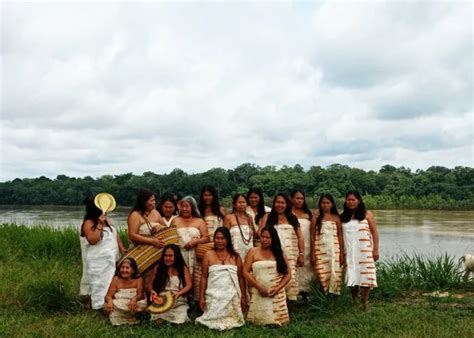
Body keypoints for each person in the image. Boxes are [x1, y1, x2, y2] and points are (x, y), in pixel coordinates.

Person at [196, 227, 246, 330]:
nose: (219, 241)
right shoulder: (208, 255)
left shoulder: (235, 256)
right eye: (217, 238)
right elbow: (204, 277)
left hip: (231, 293)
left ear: (227, 240)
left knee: (233, 317)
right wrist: (201, 297)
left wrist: (243, 296)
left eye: (222, 238)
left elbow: (240, 278)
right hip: (214, 293)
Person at [81, 196, 125, 310]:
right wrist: (100, 224)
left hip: (111, 259)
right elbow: (93, 239)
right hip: (98, 261)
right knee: (100, 284)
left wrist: (123, 250)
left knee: (112, 283)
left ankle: (110, 305)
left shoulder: (107, 221)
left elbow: (115, 235)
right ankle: (99, 307)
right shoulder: (88, 222)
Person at [258, 193, 304, 301]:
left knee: (290, 276)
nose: (280, 205)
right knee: (275, 275)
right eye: (277, 202)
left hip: (290, 253)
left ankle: (290, 303)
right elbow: (260, 233)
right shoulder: (268, 217)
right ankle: (276, 301)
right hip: (273, 253)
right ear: (274, 204)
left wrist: (301, 254)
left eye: (282, 203)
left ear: (287, 204)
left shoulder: (292, 217)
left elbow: (300, 237)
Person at [243, 226, 290, 326]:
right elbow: (245, 271)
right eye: (262, 237)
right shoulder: (253, 251)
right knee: (257, 322)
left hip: (276, 293)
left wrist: (278, 288)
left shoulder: (279, 253)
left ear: (273, 239)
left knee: (278, 322)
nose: (264, 240)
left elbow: (288, 274)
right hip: (257, 290)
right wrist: (258, 286)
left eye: (267, 237)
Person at [340, 191, 379, 310]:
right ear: (345, 201)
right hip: (350, 251)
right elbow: (340, 236)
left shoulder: (367, 214)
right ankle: (355, 300)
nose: (351, 202)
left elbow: (374, 233)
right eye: (348, 200)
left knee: (366, 275)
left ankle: (365, 302)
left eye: (353, 200)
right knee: (352, 275)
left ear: (359, 201)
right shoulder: (342, 217)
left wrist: (375, 250)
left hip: (364, 251)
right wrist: (341, 252)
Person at [148, 244, 192, 324]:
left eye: (170, 256)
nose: (167, 258)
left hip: (178, 299)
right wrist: (152, 291)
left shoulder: (183, 268)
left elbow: (189, 285)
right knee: (157, 319)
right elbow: (149, 285)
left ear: (176, 257)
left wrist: (180, 293)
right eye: (165, 256)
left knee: (180, 319)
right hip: (162, 300)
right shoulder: (158, 267)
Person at [312, 194, 343, 295]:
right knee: (322, 274)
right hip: (320, 251)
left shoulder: (336, 217)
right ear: (320, 204)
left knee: (335, 273)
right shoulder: (316, 217)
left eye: (327, 203)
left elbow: (340, 236)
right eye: (323, 203)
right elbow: (312, 236)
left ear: (332, 204)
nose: (325, 205)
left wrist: (342, 253)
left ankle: (335, 297)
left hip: (334, 250)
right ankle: (323, 297)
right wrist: (313, 254)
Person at [170, 196, 208, 279]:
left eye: (187, 206)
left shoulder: (199, 221)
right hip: (179, 254)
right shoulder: (175, 220)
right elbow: (170, 238)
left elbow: (206, 238)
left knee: (196, 279)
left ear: (193, 207)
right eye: (182, 206)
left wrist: (195, 242)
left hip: (195, 255)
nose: (184, 209)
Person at [104, 258, 147, 326]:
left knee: (142, 304)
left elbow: (140, 295)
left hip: (134, 304)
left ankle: (134, 317)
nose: (124, 270)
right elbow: (108, 295)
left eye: (127, 268)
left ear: (133, 270)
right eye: (122, 267)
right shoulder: (116, 279)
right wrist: (109, 302)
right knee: (109, 305)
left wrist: (134, 299)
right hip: (119, 303)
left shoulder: (138, 279)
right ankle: (124, 318)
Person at [290, 189, 315, 296]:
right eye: (297, 198)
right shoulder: (288, 213)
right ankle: (294, 294)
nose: (299, 201)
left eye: (301, 198)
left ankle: (307, 294)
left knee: (307, 269)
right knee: (294, 268)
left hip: (308, 245)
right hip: (292, 245)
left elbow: (314, 232)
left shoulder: (309, 214)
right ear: (291, 199)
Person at [224, 193, 255, 262]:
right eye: (239, 202)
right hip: (234, 251)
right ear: (234, 205)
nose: (241, 204)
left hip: (249, 250)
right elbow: (225, 237)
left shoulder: (249, 218)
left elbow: (253, 236)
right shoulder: (229, 217)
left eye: (243, 202)